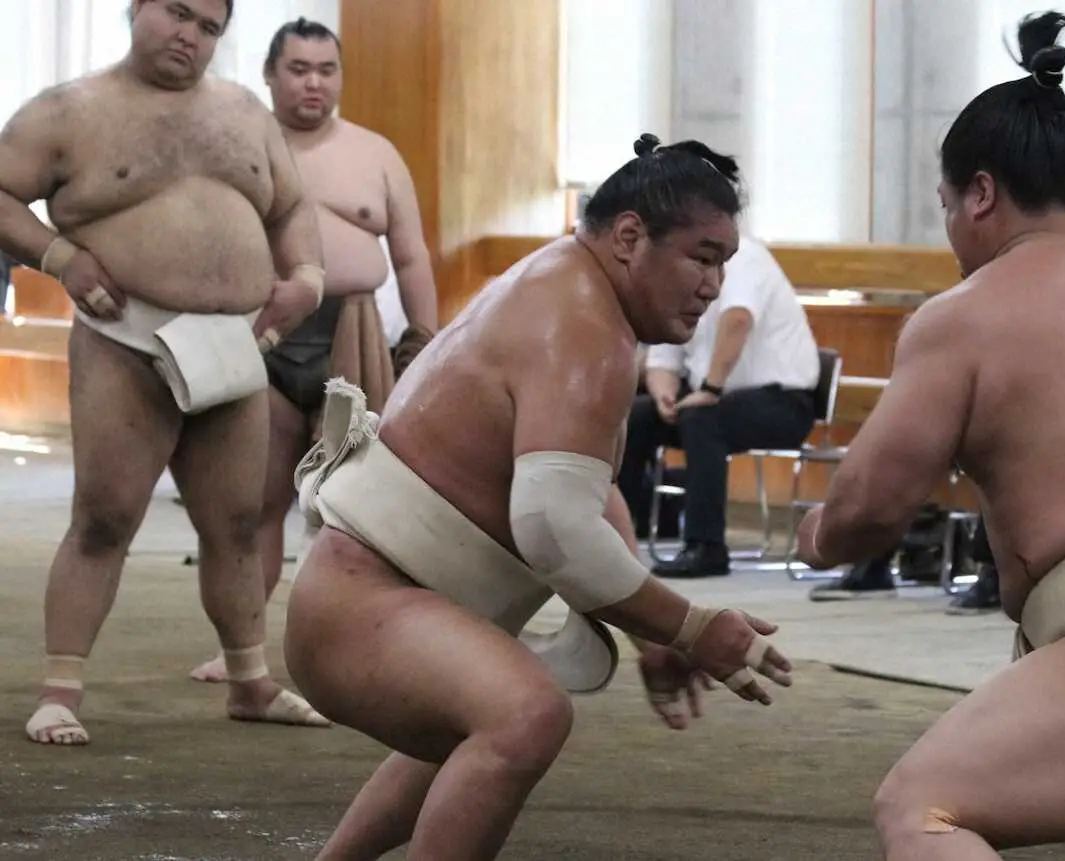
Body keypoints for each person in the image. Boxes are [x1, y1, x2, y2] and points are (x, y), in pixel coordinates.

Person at [283, 133, 794, 861]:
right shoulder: (580, 318)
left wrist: (651, 627)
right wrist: (689, 626)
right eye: (702, 258)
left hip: (372, 598)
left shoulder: (576, 294)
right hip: (364, 600)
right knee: (522, 715)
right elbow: (554, 529)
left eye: (724, 264)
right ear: (628, 236)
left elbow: (589, 493)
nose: (714, 286)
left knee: (484, 713)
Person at [792, 12, 1065, 858]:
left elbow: (870, 508)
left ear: (980, 193)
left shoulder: (963, 316)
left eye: (945, 206)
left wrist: (820, 536)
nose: (949, 234)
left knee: (924, 807)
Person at [0, 0, 330, 745]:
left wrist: (306, 275)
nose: (190, 34)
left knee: (238, 523)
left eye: (209, 26)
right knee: (105, 516)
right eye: (176, 13)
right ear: (136, 10)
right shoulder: (67, 110)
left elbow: (291, 206)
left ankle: (249, 679)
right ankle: (60, 688)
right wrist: (60, 256)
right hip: (127, 337)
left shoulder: (245, 113)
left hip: (237, 343)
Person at [188, 16, 438, 684]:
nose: (313, 83)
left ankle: (366, 641)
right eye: (298, 69)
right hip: (261, 335)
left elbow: (410, 255)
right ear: (270, 74)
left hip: (351, 335)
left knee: (360, 511)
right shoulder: (235, 146)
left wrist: (424, 337)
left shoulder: (376, 153)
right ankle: (244, 647)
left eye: (327, 70)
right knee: (254, 503)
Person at [618, 236, 820, 578]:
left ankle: (706, 546)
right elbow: (664, 354)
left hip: (783, 404)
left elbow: (738, 319)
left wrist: (711, 387)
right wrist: (664, 393)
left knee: (702, 420)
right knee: (637, 417)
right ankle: (618, 535)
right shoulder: (676, 272)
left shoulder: (744, 259)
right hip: (713, 401)